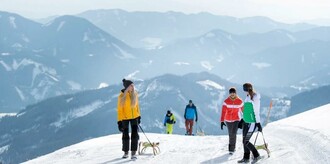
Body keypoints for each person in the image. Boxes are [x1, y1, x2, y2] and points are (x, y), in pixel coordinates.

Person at [237, 83, 262, 164]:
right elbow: (246, 110)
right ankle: (246, 158)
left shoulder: (255, 97)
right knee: (244, 140)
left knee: (246, 141)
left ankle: (257, 155)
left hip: (252, 122)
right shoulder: (248, 97)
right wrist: (242, 119)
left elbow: (256, 111)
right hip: (246, 121)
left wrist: (258, 123)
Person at [117, 79, 141, 159]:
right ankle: (126, 152)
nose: (133, 87)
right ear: (127, 87)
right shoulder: (121, 96)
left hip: (134, 117)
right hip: (125, 118)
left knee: (135, 135)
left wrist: (139, 116)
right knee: (125, 135)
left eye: (133, 85)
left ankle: (133, 153)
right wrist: (119, 122)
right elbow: (119, 110)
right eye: (131, 85)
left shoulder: (135, 94)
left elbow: (137, 106)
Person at [220, 87, 244, 154]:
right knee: (230, 134)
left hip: (236, 119)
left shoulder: (240, 101)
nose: (232, 94)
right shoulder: (226, 102)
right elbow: (223, 112)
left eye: (233, 92)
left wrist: (245, 119)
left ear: (235, 93)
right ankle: (231, 147)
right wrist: (222, 121)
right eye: (231, 93)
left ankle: (232, 149)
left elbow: (243, 110)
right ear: (229, 94)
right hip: (228, 120)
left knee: (234, 133)